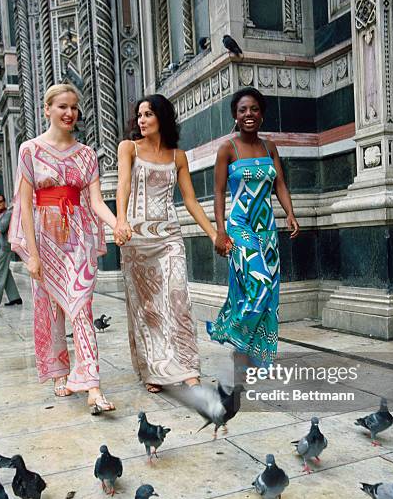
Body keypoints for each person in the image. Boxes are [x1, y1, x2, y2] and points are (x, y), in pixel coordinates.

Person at [9, 83, 117, 413]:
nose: (69, 113)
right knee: (52, 308)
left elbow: (96, 201)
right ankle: (60, 371)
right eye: (62, 107)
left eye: (73, 107)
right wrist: (34, 255)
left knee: (82, 307)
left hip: (78, 238)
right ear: (47, 110)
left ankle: (93, 386)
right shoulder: (29, 149)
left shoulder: (86, 154)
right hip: (44, 235)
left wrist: (117, 224)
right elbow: (24, 204)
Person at [114, 94, 223, 393]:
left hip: (170, 236)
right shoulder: (129, 148)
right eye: (139, 115)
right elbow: (123, 184)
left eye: (148, 114)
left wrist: (213, 234)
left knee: (179, 300)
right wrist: (120, 220)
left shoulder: (178, 156)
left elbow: (190, 201)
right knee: (147, 307)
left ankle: (187, 367)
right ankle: (155, 371)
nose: (142, 120)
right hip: (136, 239)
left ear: (162, 117)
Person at [207, 87, 299, 368]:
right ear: (235, 116)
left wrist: (290, 213)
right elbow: (219, 192)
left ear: (262, 114)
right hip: (240, 226)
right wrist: (220, 231)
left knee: (268, 293)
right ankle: (234, 332)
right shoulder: (228, 149)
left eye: (254, 109)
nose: (249, 114)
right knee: (258, 283)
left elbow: (279, 183)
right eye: (243, 110)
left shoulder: (269, 146)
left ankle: (258, 354)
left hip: (267, 228)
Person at [0, 194, 22, 309]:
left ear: (4, 202)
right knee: (5, 271)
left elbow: (2, 228)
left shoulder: (8, 214)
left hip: (2, 246)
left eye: (0, 201)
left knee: (0, 272)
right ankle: (15, 297)